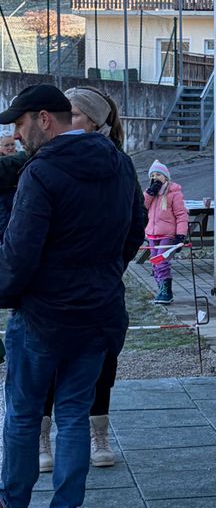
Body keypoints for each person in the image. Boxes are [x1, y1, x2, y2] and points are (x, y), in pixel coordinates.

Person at [0, 83, 146, 508]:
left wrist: (7, 294)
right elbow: (135, 230)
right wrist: (105, 274)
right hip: (98, 313)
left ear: (45, 119)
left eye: (20, 126)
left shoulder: (40, 172)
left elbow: (19, 252)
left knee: (23, 414)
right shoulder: (121, 163)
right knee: (74, 415)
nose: (18, 137)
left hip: (42, 316)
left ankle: (10, 506)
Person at [39, 87, 134, 472]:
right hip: (53, 289)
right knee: (48, 362)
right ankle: (43, 439)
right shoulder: (44, 160)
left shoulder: (118, 165)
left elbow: (135, 226)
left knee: (100, 364)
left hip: (99, 288)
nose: (65, 122)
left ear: (95, 122)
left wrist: (111, 265)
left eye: (73, 114)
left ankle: (99, 436)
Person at [144, 159, 188, 305]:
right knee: (154, 263)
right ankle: (161, 289)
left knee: (161, 262)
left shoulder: (174, 193)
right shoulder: (150, 194)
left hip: (167, 234)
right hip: (152, 234)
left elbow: (181, 215)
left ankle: (166, 292)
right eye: (152, 176)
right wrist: (150, 192)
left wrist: (180, 235)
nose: (155, 178)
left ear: (166, 177)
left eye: (158, 175)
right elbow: (142, 207)